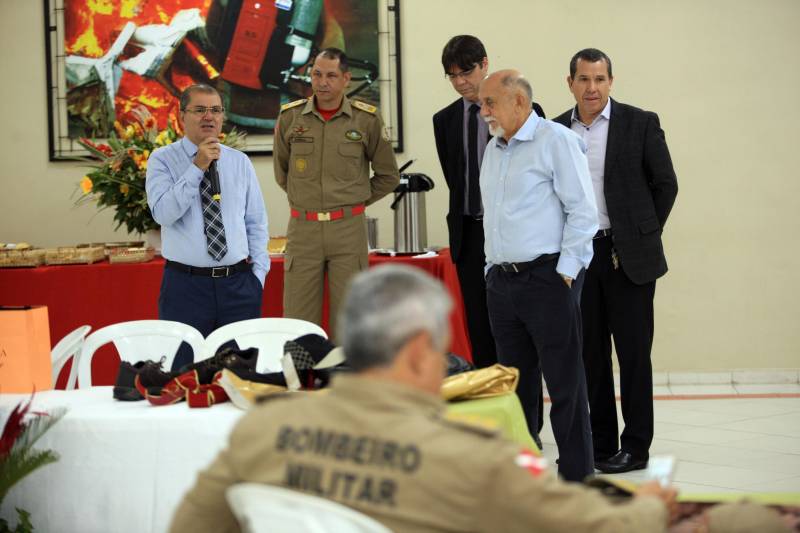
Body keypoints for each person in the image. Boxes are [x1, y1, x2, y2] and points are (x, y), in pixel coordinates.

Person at [170, 264, 676, 533]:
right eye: (441, 348)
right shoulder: (475, 459)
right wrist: (649, 510)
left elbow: (191, 527)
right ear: (417, 353)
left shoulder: (260, 431)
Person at [554, 49, 678, 474]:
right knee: (590, 355)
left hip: (628, 259)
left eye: (600, 79)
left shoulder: (640, 123)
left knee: (633, 354)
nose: (592, 88)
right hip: (580, 257)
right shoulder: (555, 130)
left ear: (611, 81)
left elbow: (666, 185)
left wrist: (641, 235)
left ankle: (637, 447)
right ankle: (602, 444)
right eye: (584, 79)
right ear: (570, 82)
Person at [479, 69, 598, 482]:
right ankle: (522, 474)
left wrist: (565, 274)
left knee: (565, 385)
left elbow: (584, 213)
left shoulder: (556, 141)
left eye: (490, 103)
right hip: (502, 284)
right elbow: (494, 217)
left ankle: (577, 476)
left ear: (519, 103)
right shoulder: (494, 148)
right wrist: (491, 268)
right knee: (516, 389)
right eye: (481, 103)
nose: (483, 112)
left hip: (547, 279)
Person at [432, 35, 545, 370]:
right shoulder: (445, 120)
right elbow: (457, 179)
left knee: (517, 325)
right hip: (469, 233)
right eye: (452, 76)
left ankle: (523, 405)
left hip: (515, 234)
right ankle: (486, 393)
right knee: (479, 325)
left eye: (466, 71)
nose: (460, 81)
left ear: (484, 64)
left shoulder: (525, 111)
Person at [274, 47, 399, 339]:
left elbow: (388, 176)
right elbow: (283, 174)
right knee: (298, 320)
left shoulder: (365, 119)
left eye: (331, 76)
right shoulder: (291, 118)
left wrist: (353, 200)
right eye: (317, 74)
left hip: (348, 231)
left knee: (350, 319)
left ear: (346, 79)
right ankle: (303, 382)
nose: (322, 82)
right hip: (303, 230)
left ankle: (345, 380)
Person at [146, 84, 269, 368]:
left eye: (215, 110)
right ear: (182, 115)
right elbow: (164, 214)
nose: (208, 117)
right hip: (185, 288)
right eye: (199, 110)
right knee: (182, 375)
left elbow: (256, 223)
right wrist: (197, 167)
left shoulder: (239, 162)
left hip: (238, 287)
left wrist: (257, 277)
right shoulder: (162, 160)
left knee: (240, 377)